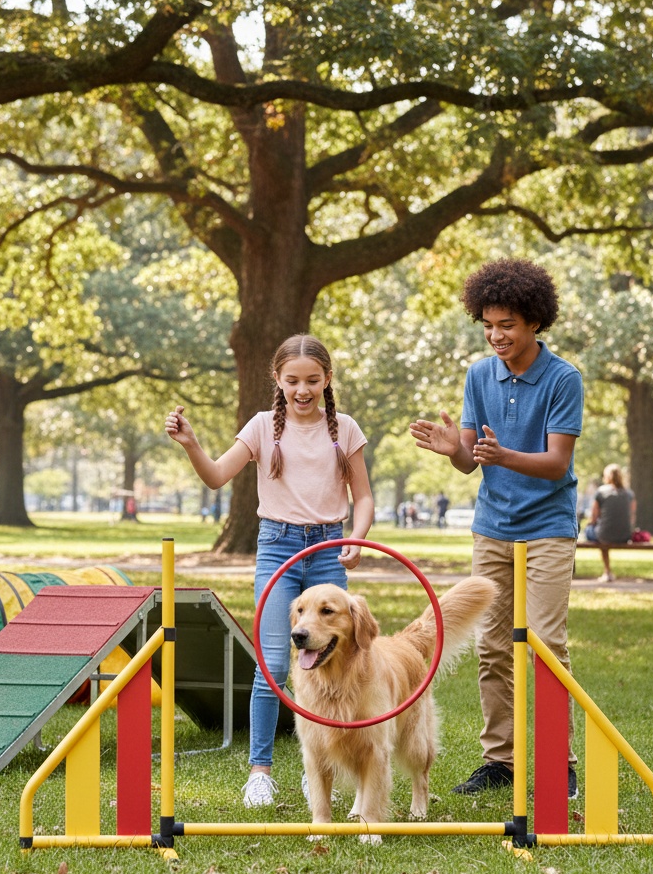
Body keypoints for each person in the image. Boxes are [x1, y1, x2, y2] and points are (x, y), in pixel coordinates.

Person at [165, 334, 374, 808]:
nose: (303, 390)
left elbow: (362, 496)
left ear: (327, 380)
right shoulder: (262, 427)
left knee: (333, 663)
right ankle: (260, 771)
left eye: (313, 381)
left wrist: (357, 537)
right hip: (277, 548)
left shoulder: (344, 429)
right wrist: (192, 444)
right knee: (274, 664)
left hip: (328, 546)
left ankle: (316, 768)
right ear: (278, 380)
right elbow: (218, 476)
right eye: (293, 380)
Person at [410, 258, 583, 798]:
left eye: (506, 324)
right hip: (493, 526)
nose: (496, 335)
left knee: (546, 644)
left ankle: (559, 760)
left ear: (534, 321)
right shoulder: (479, 374)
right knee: (492, 646)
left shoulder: (563, 379)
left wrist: (502, 455)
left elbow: (557, 463)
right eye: (488, 324)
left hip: (548, 527)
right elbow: (469, 459)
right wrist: (452, 451)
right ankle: (501, 760)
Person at [584, 464, 636, 581]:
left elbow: (594, 517)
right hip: (626, 535)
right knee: (604, 532)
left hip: (605, 535)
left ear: (606, 477)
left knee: (591, 531)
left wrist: (591, 524)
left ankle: (607, 571)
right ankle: (607, 572)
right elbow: (632, 516)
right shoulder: (629, 494)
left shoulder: (601, 492)